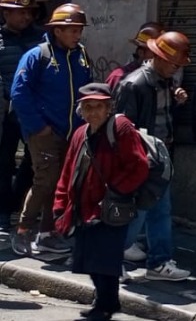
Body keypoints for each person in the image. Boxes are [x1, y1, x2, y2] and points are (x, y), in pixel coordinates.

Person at [53, 83, 149, 321]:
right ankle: (105, 301)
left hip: (112, 206)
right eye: (88, 107)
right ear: (81, 111)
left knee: (106, 259)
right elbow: (68, 171)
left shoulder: (121, 128)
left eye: (99, 106)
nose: (93, 112)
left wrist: (115, 191)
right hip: (83, 208)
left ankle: (106, 305)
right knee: (89, 258)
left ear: (109, 108)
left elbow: (139, 166)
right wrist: (60, 204)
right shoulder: (80, 133)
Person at [10, 3, 93, 257]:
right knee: (45, 182)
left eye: (79, 30)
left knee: (60, 184)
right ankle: (23, 230)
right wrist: (39, 127)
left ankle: (47, 234)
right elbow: (19, 93)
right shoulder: (37, 55)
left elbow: (88, 90)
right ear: (57, 30)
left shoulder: (81, 55)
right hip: (44, 133)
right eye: (72, 30)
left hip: (72, 134)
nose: (77, 35)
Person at [114, 30, 192, 282]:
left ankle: (158, 262)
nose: (176, 69)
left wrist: (177, 101)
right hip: (142, 158)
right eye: (174, 64)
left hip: (161, 157)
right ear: (158, 57)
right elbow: (123, 128)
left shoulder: (166, 82)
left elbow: (164, 118)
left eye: (179, 66)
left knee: (160, 210)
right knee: (138, 212)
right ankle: (111, 259)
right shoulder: (134, 84)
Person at [0, 0, 41, 234]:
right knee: (3, 162)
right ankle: (4, 211)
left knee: (33, 161)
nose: (25, 17)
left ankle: (18, 205)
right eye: (19, 12)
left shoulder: (41, 38)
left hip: (35, 111)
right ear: (5, 12)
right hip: (6, 114)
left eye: (29, 12)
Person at [105, 22, 163, 91]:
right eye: (155, 53)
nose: (161, 58)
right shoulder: (118, 77)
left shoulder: (162, 80)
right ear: (141, 53)